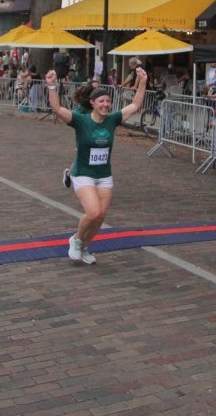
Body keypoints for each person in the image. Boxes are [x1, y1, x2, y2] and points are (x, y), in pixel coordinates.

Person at [45, 65, 147, 266]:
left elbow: (135, 105)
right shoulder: (81, 120)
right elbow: (57, 109)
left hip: (104, 175)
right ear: (92, 103)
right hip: (83, 172)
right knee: (94, 213)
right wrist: (51, 86)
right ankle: (76, 240)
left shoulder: (112, 120)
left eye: (108, 101)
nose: (106, 105)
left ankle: (84, 247)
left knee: (100, 218)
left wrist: (142, 82)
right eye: (101, 101)